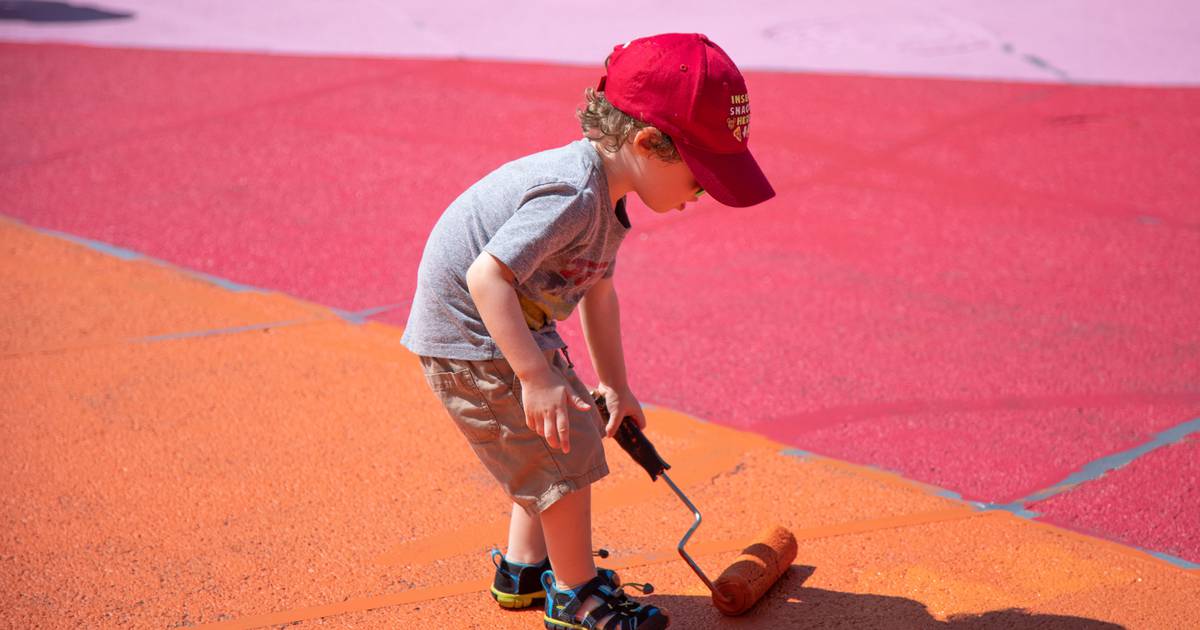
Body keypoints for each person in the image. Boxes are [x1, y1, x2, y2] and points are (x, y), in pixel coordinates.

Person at [401, 32, 775, 630]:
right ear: (649, 143)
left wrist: (615, 386)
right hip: (472, 333)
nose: (700, 194)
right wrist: (532, 377)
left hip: (514, 324)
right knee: (566, 445)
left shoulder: (610, 196)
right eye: (700, 176)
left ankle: (525, 569)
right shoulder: (574, 195)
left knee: (556, 432)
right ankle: (577, 599)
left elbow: (599, 291)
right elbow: (485, 276)